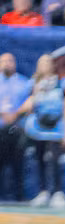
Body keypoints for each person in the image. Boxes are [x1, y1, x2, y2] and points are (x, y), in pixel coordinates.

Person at [20, 53, 65, 209]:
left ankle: (57, 192)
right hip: (37, 127)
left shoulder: (61, 83)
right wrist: (36, 92)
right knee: (40, 158)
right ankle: (43, 192)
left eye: (48, 62)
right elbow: (29, 107)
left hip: (55, 127)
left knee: (55, 159)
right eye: (42, 63)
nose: (45, 65)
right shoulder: (33, 84)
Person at [0, 53, 29, 203]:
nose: (7, 63)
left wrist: (16, 113)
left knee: (18, 163)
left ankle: (19, 195)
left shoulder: (23, 82)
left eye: (10, 60)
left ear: (15, 63)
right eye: (3, 61)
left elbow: (31, 102)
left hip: (16, 129)